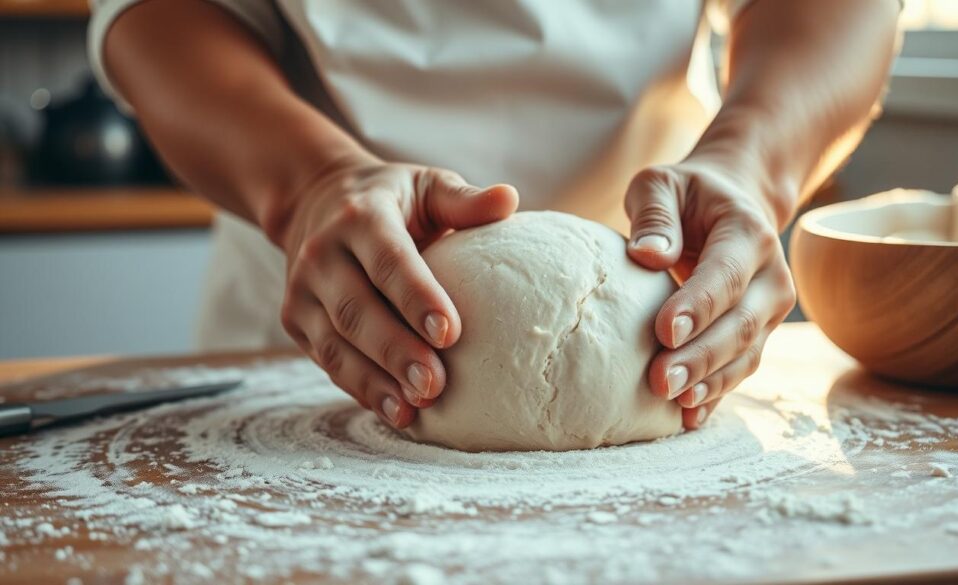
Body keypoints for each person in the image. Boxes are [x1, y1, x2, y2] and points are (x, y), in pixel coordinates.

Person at [90, 0, 901, 432]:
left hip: (659, 301)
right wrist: (310, 187)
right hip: (321, 337)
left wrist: (750, 164)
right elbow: (157, 13)